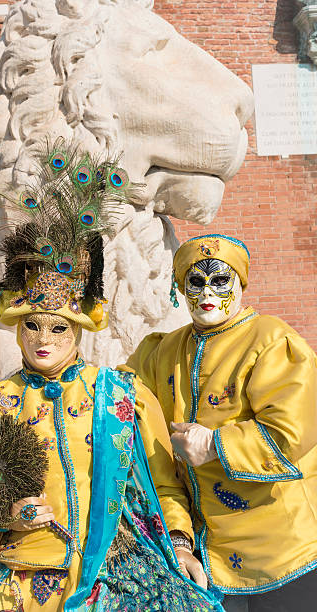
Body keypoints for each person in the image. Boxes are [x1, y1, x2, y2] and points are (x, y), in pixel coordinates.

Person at [0, 151, 224, 611]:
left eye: (58, 328)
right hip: (20, 573)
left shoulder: (122, 395)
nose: (43, 340)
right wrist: (7, 517)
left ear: (77, 330)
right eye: (32, 325)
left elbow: (165, 484)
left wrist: (177, 542)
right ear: (17, 326)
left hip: (114, 568)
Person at [123, 234, 317, 611]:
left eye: (220, 280)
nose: (208, 292)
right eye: (196, 282)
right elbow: (118, 401)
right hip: (205, 555)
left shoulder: (273, 341)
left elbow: (292, 434)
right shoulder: (162, 351)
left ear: (241, 284)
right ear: (181, 290)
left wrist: (215, 444)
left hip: (283, 548)